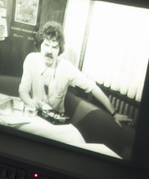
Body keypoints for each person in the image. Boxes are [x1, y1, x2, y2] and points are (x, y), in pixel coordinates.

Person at [17, 22, 134, 157]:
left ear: (59, 50)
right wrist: (30, 101)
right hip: (34, 116)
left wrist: (114, 113)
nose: (49, 51)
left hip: (57, 125)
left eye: (54, 47)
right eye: (46, 45)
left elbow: (92, 87)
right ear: (39, 45)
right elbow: (23, 90)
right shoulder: (31, 59)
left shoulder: (66, 68)